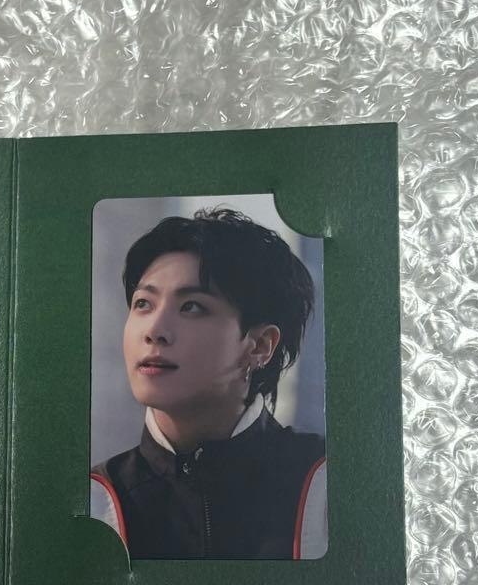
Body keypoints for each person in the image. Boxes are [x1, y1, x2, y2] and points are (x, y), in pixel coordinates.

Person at [91, 208, 327, 559]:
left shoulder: (324, 486)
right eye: (143, 303)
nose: (154, 331)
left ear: (260, 345)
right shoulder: (96, 499)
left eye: (191, 307)